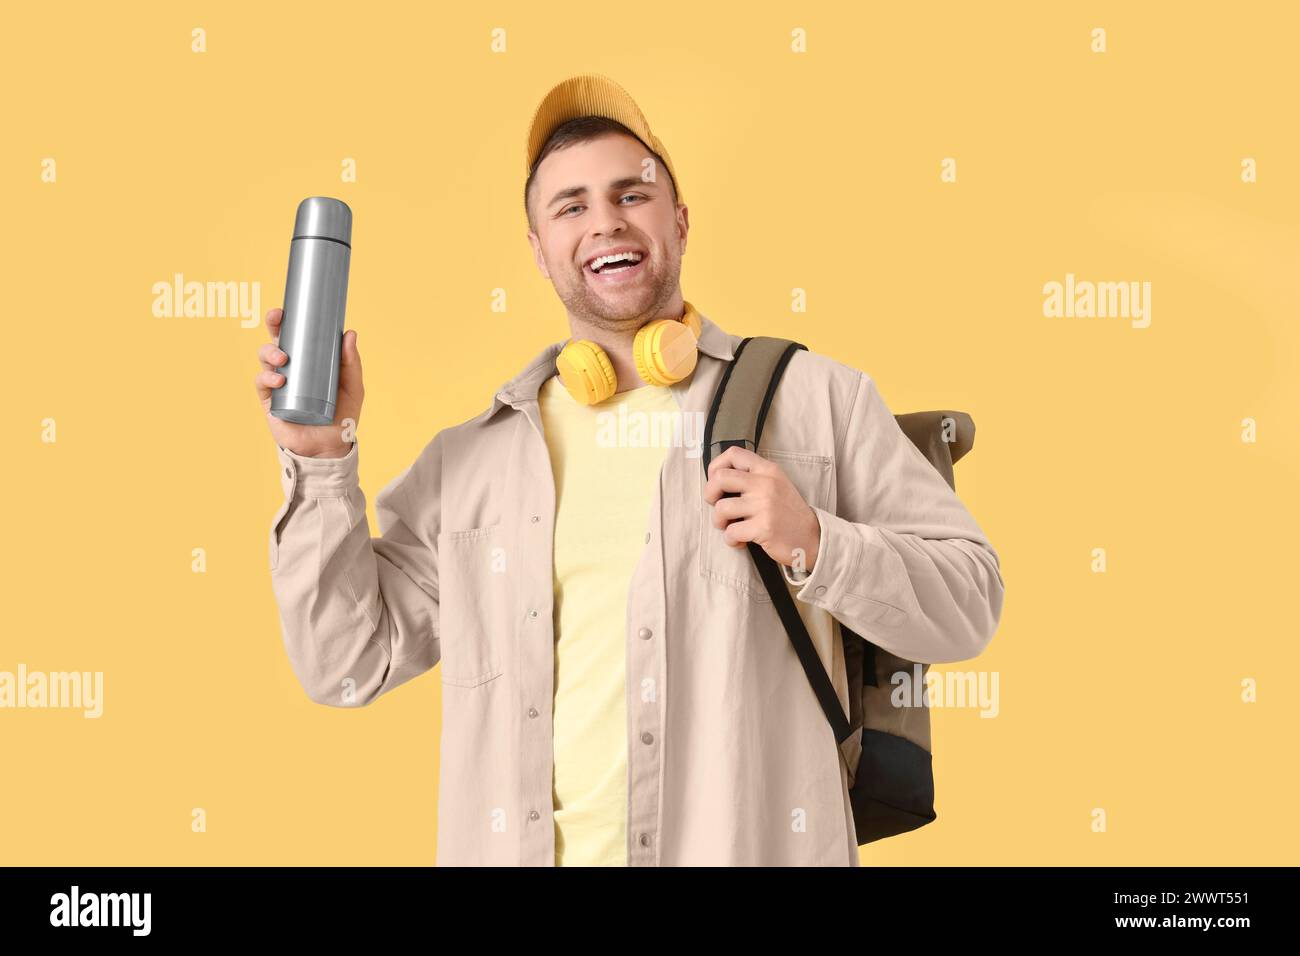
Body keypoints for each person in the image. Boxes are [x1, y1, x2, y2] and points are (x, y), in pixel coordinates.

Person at [254, 74, 1005, 867]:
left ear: (679, 221)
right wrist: (318, 460)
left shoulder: (819, 403)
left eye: (631, 195)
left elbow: (969, 604)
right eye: (570, 206)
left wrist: (816, 541)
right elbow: (344, 664)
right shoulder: (473, 464)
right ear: (539, 251)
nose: (605, 221)